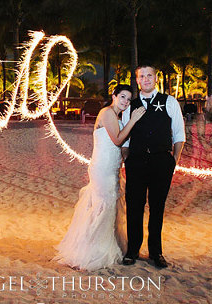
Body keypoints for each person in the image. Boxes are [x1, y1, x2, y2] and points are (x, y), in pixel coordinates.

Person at [55, 85, 146, 271]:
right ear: (114, 96)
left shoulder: (117, 117)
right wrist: (135, 119)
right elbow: (118, 140)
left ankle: (106, 246)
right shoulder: (106, 113)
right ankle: (93, 251)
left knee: (109, 208)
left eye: (128, 99)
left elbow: (122, 146)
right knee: (103, 207)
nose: (125, 102)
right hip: (102, 168)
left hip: (112, 168)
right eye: (122, 97)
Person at [121, 65, 186, 269]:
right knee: (134, 207)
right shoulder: (130, 105)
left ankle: (156, 252)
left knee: (157, 208)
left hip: (161, 162)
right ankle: (132, 250)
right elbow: (124, 138)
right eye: (142, 76)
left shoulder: (169, 102)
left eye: (149, 75)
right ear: (137, 80)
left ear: (156, 78)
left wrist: (173, 161)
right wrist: (127, 161)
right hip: (137, 162)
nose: (146, 79)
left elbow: (179, 134)